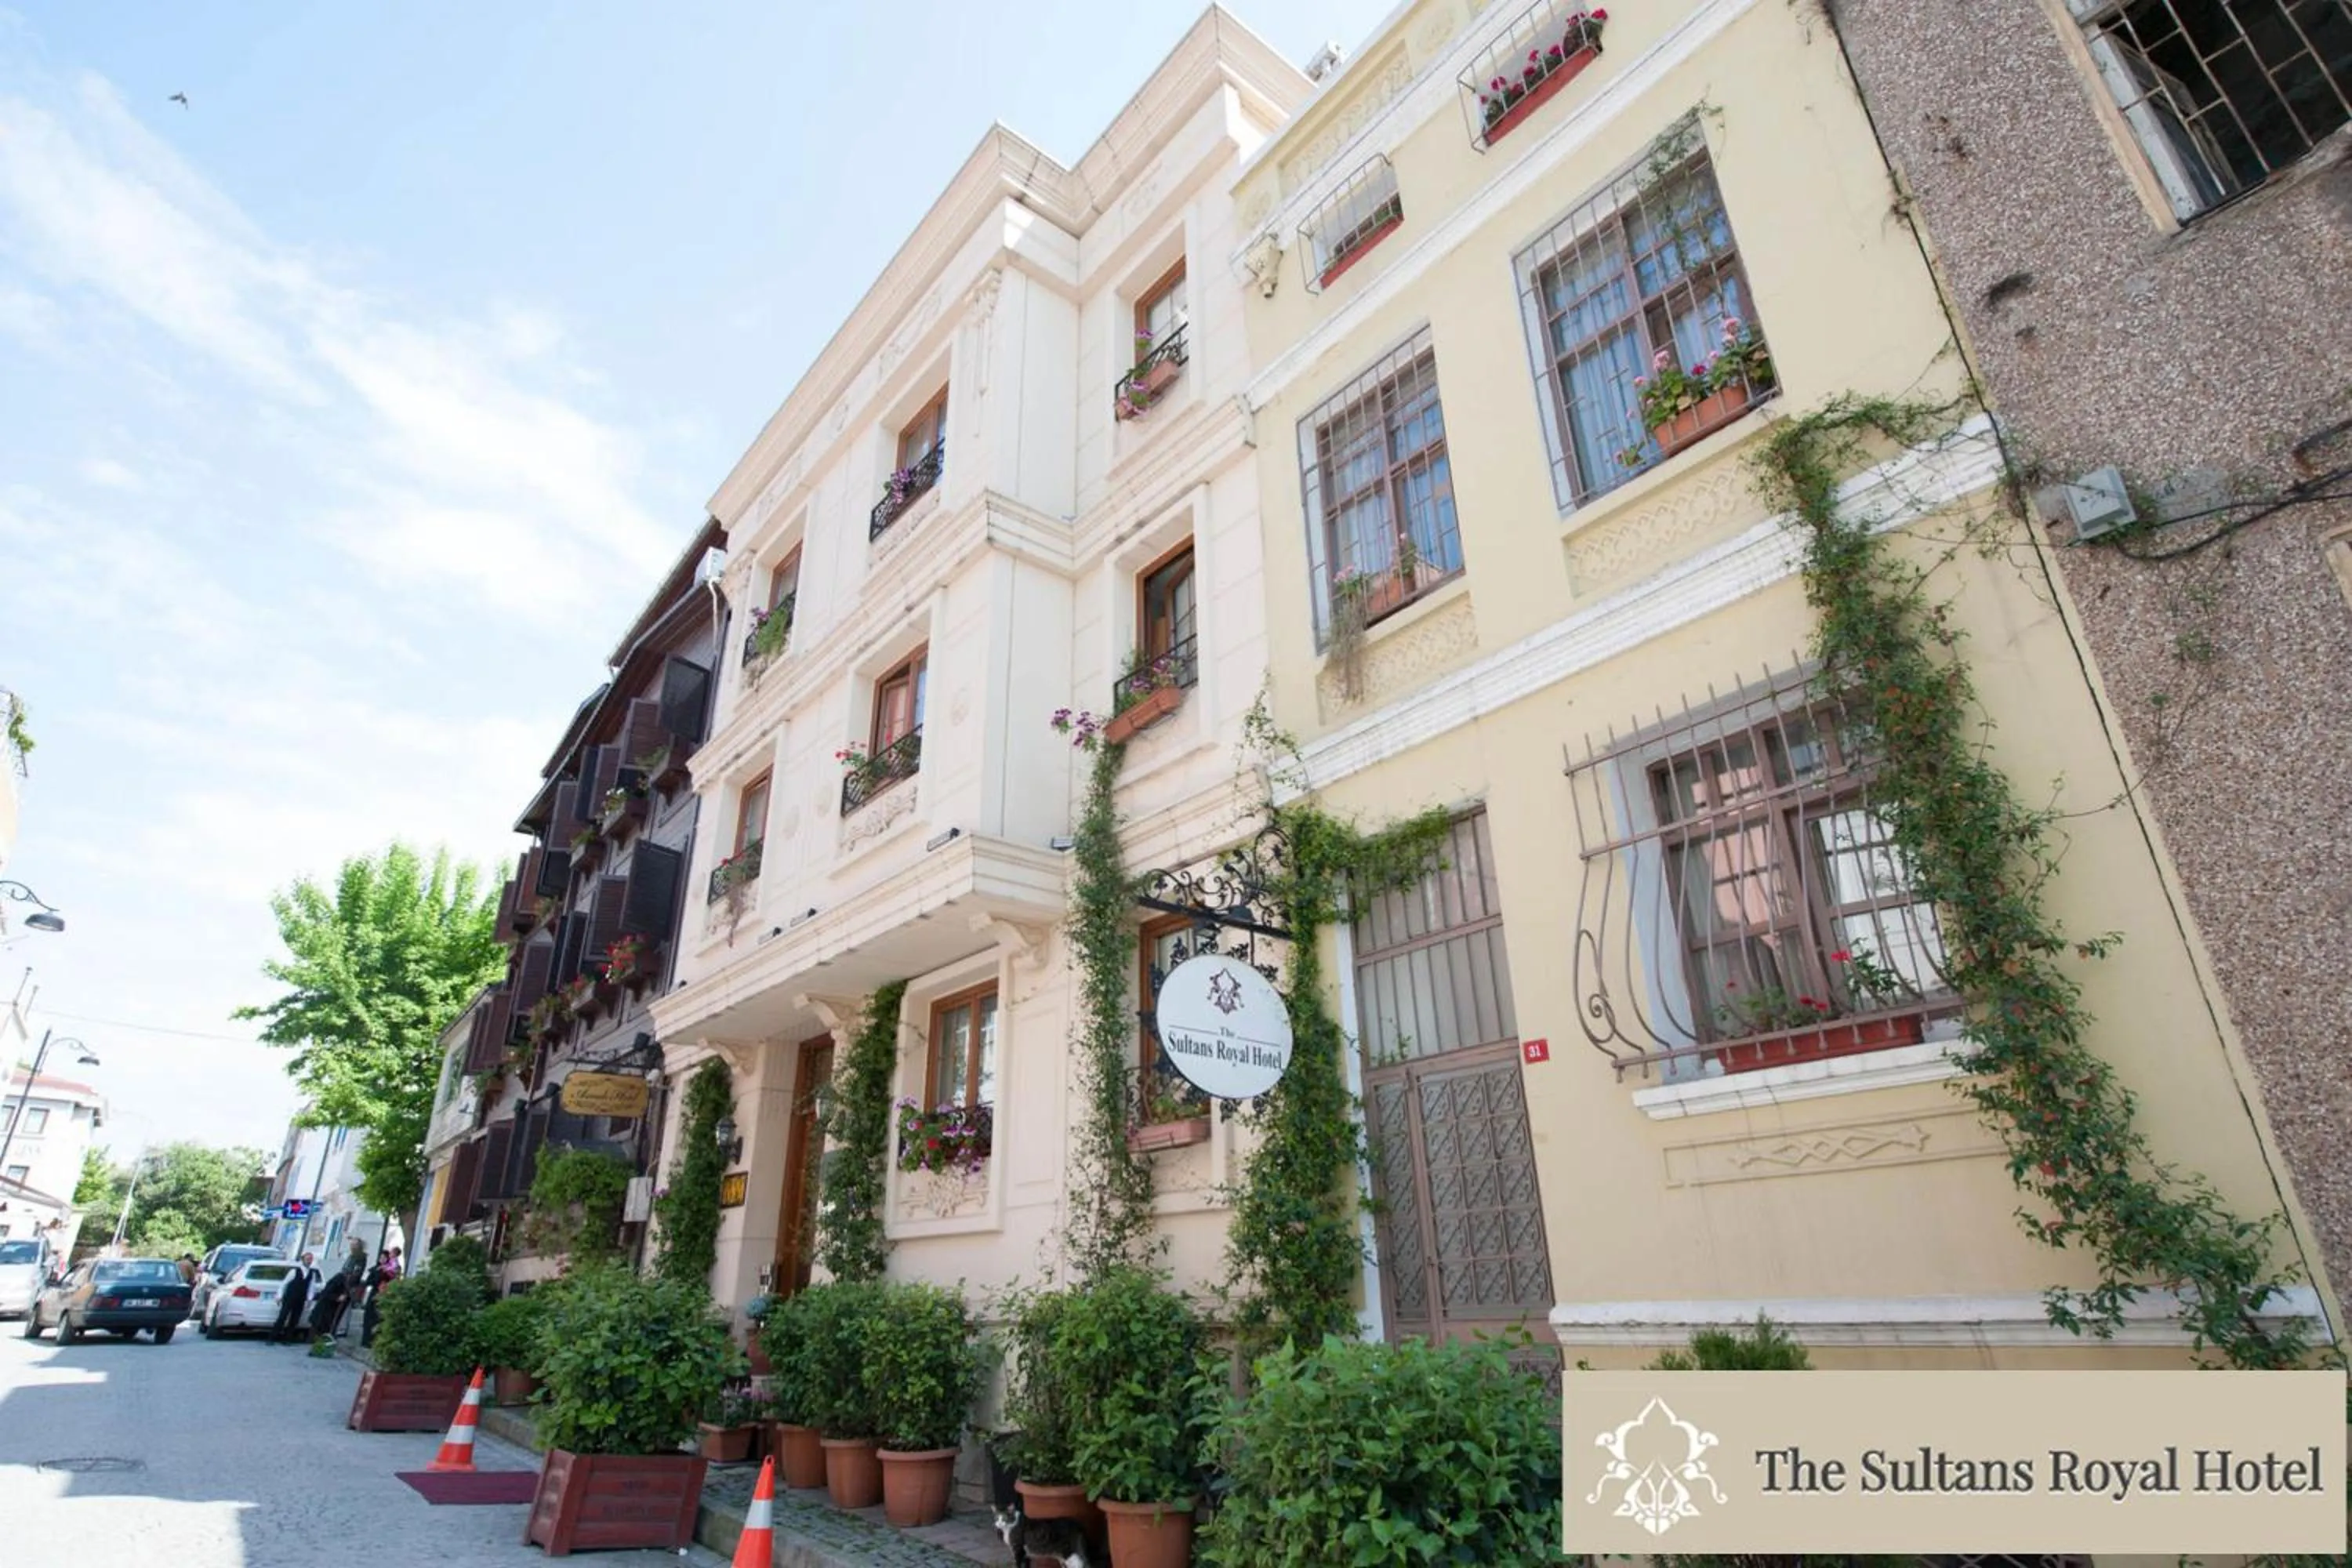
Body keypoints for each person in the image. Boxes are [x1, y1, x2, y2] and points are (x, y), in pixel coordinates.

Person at [272, 1252, 316, 1345]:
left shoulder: (312, 1273)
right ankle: (272, 1337)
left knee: (295, 1319)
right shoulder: (294, 1271)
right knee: (282, 1317)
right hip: (290, 1297)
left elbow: (311, 1287)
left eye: (310, 1259)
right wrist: (279, 1296)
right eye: (307, 1259)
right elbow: (284, 1284)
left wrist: (309, 1299)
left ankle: (287, 1338)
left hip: (301, 1299)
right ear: (303, 1260)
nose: (309, 1261)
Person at [309, 1266, 350, 1345]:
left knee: (324, 1326)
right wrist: (337, 1297)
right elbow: (327, 1293)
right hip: (324, 1309)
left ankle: (320, 1342)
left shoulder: (342, 1281)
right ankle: (318, 1342)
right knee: (320, 1326)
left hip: (329, 1309)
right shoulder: (338, 1280)